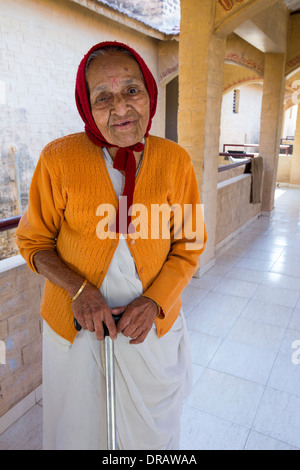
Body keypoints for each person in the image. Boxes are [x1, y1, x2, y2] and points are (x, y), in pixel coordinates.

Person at [16, 41, 207, 450]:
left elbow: (189, 244)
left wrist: (155, 301)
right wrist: (79, 290)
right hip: (76, 332)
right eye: (103, 97)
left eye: (131, 91)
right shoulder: (58, 159)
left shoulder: (176, 162)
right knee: (79, 435)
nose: (120, 108)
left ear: (150, 93)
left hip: (150, 334)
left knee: (151, 442)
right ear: (87, 105)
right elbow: (33, 242)